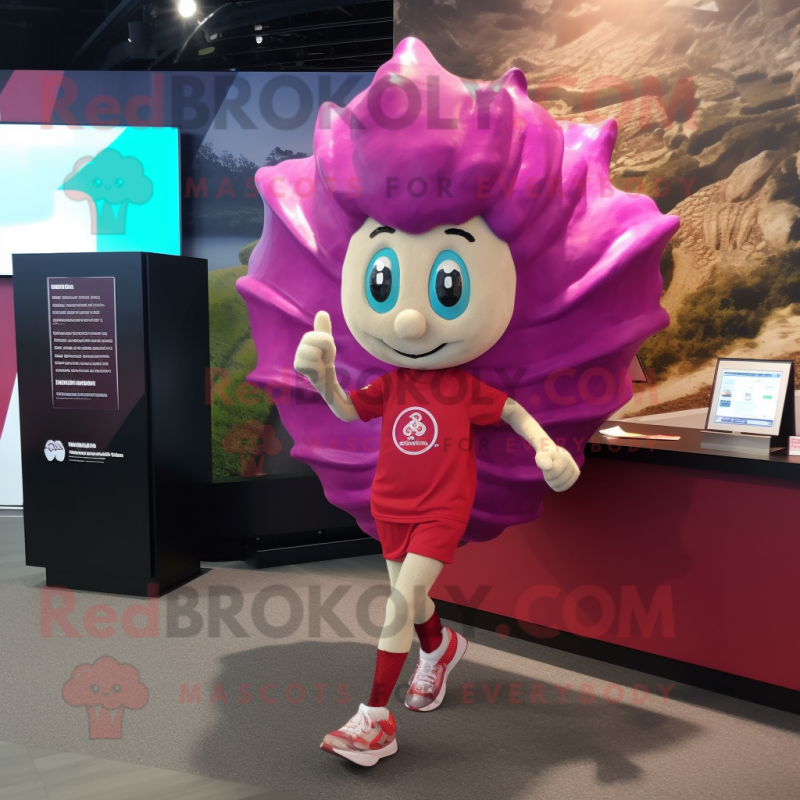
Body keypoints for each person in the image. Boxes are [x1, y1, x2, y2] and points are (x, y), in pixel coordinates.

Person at [293, 215, 579, 766]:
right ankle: (440, 648)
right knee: (414, 598)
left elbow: (511, 410)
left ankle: (375, 720)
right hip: (389, 505)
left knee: (398, 605)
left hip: (442, 509)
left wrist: (546, 447)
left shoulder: (463, 387)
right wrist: (324, 380)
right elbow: (349, 411)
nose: (409, 321)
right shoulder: (392, 382)